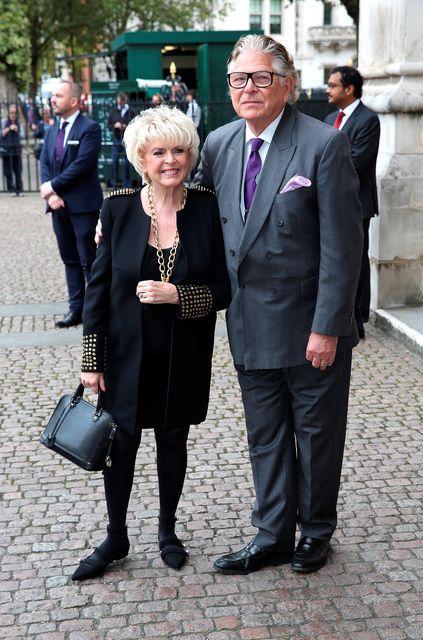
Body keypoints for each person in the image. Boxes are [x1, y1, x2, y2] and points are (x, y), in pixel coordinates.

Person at [195, 34, 363, 574]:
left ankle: (315, 532)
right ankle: (271, 534)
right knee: (264, 436)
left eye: (261, 77)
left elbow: (344, 244)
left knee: (314, 438)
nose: (249, 87)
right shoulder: (219, 144)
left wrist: (329, 327)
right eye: (239, 78)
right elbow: (191, 216)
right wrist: (130, 212)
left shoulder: (321, 144)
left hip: (310, 325)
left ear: (286, 85)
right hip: (247, 322)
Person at [71, 105, 230, 581]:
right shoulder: (117, 207)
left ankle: (167, 531)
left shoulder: (205, 206)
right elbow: (96, 290)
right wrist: (91, 360)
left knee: (173, 441)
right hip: (124, 354)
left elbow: (223, 289)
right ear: (141, 157)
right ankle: (116, 535)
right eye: (159, 151)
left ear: (191, 154)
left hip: (183, 352)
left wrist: (177, 294)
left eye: (179, 150)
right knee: (121, 445)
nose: (170, 160)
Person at [40, 80, 103, 328]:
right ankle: (75, 309)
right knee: (70, 259)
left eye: (58, 95)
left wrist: (53, 186)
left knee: (90, 260)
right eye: (53, 95)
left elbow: (82, 165)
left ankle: (96, 312)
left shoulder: (90, 128)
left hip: (83, 206)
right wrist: (50, 194)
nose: (53, 99)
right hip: (58, 206)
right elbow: (44, 162)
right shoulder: (51, 129)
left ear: (74, 101)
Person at [325, 66, 380, 340]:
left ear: (349, 89)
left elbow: (358, 161)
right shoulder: (329, 118)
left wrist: (323, 167)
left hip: (357, 204)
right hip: (328, 203)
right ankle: (341, 315)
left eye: (333, 85)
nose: (328, 89)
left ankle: (358, 320)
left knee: (356, 260)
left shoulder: (368, 119)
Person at [107, 92, 136, 188]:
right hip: (117, 139)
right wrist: (115, 125)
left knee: (128, 163)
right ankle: (113, 183)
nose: (121, 104)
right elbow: (109, 125)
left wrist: (126, 126)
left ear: (125, 101)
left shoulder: (131, 111)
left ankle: (127, 184)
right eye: (120, 102)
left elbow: (135, 124)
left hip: (128, 139)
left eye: (122, 102)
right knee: (114, 161)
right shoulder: (113, 111)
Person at [1, 104, 24, 195]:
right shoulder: (3, 122)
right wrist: (8, 129)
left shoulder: (19, 123)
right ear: (8, 113)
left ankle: (19, 189)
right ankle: (10, 189)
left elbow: (23, 135)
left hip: (16, 148)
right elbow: (1, 134)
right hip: (6, 149)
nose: (13, 114)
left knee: (18, 170)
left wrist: (17, 129)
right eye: (11, 112)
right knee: (8, 170)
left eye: (15, 113)